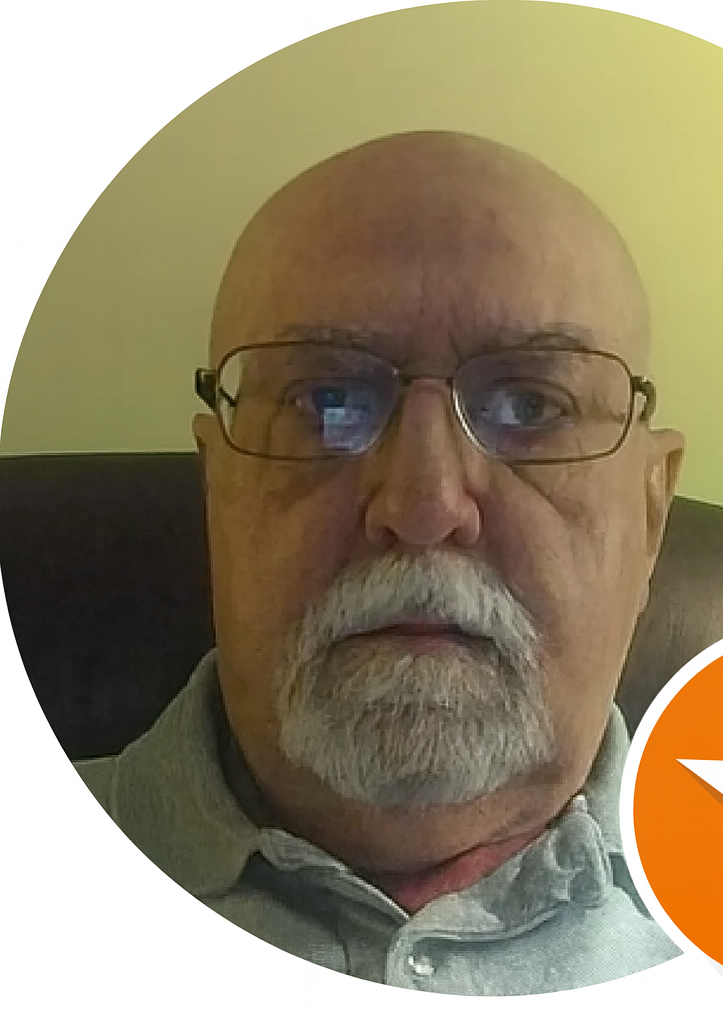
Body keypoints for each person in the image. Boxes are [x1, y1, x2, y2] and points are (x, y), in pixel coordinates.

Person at [75, 130, 688, 994]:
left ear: (651, 515)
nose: (425, 506)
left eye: (530, 404)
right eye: (324, 399)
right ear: (217, 491)